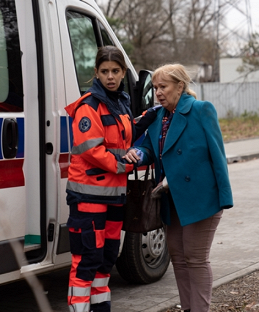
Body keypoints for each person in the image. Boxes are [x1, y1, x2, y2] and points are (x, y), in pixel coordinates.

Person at [124, 64, 234, 312]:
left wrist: (224, 197)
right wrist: (138, 154)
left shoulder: (201, 110)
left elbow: (218, 156)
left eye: (163, 86)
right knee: (179, 260)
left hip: (201, 199)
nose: (158, 92)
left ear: (180, 86)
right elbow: (151, 150)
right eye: (154, 88)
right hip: (171, 201)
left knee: (195, 259)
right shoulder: (157, 116)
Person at [64, 45, 156, 312]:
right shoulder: (88, 106)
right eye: (105, 71)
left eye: (115, 71)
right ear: (96, 73)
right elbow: (90, 149)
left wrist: (149, 117)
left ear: (123, 72)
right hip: (88, 196)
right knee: (86, 260)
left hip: (114, 196)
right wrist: (121, 164)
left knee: (106, 259)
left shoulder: (121, 102)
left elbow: (125, 136)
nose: (110, 76)